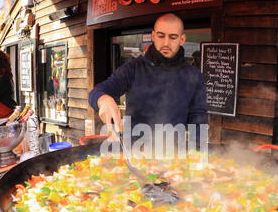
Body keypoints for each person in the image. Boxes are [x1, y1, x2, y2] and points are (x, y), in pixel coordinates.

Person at [88, 13, 208, 144]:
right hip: (134, 151)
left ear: (182, 39)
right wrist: (103, 99)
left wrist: (198, 154)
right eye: (161, 36)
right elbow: (98, 91)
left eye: (173, 37)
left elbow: (198, 118)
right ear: (153, 36)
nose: (166, 43)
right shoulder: (133, 68)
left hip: (173, 154)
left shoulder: (194, 75)